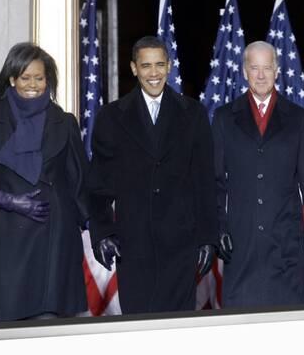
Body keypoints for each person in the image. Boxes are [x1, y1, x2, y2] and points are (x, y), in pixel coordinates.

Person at [87, 36, 218, 314]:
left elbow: (205, 182)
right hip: (133, 247)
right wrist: (102, 233)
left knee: (178, 330)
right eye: (146, 66)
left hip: (181, 246)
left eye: (160, 64)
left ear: (169, 66)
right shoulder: (111, 117)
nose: (154, 73)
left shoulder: (193, 114)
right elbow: (98, 184)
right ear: (134, 68)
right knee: (138, 329)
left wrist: (208, 236)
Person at [212, 41, 304, 308]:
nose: (261, 75)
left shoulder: (298, 119)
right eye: (254, 68)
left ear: (277, 71)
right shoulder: (224, 118)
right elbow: (215, 182)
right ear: (244, 71)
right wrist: (217, 229)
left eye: (267, 68)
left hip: (285, 243)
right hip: (240, 244)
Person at [0, 42, 90, 321]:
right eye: (25, 77)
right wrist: (6, 200)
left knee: (49, 327)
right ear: (12, 78)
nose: (33, 84)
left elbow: (81, 183)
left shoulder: (65, 122)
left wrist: (97, 227)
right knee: (6, 325)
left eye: (39, 77)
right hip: (6, 239)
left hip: (55, 242)